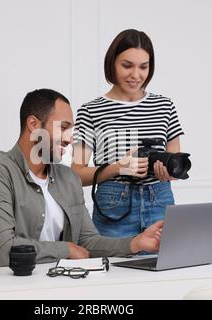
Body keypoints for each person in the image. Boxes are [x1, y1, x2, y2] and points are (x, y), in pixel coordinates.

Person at [0, 88, 163, 266]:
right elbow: (2, 249)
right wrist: (66, 249)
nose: (70, 139)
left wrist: (136, 243)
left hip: (62, 285)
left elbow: (88, 242)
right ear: (33, 124)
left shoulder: (69, 178)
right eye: (63, 128)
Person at [72, 29, 184, 238]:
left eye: (144, 67)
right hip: (114, 206)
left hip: (159, 201)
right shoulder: (90, 110)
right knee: (114, 269)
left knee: (166, 269)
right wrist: (118, 168)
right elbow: (76, 174)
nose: (136, 75)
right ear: (112, 63)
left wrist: (167, 173)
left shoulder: (165, 106)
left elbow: (175, 164)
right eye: (127, 65)